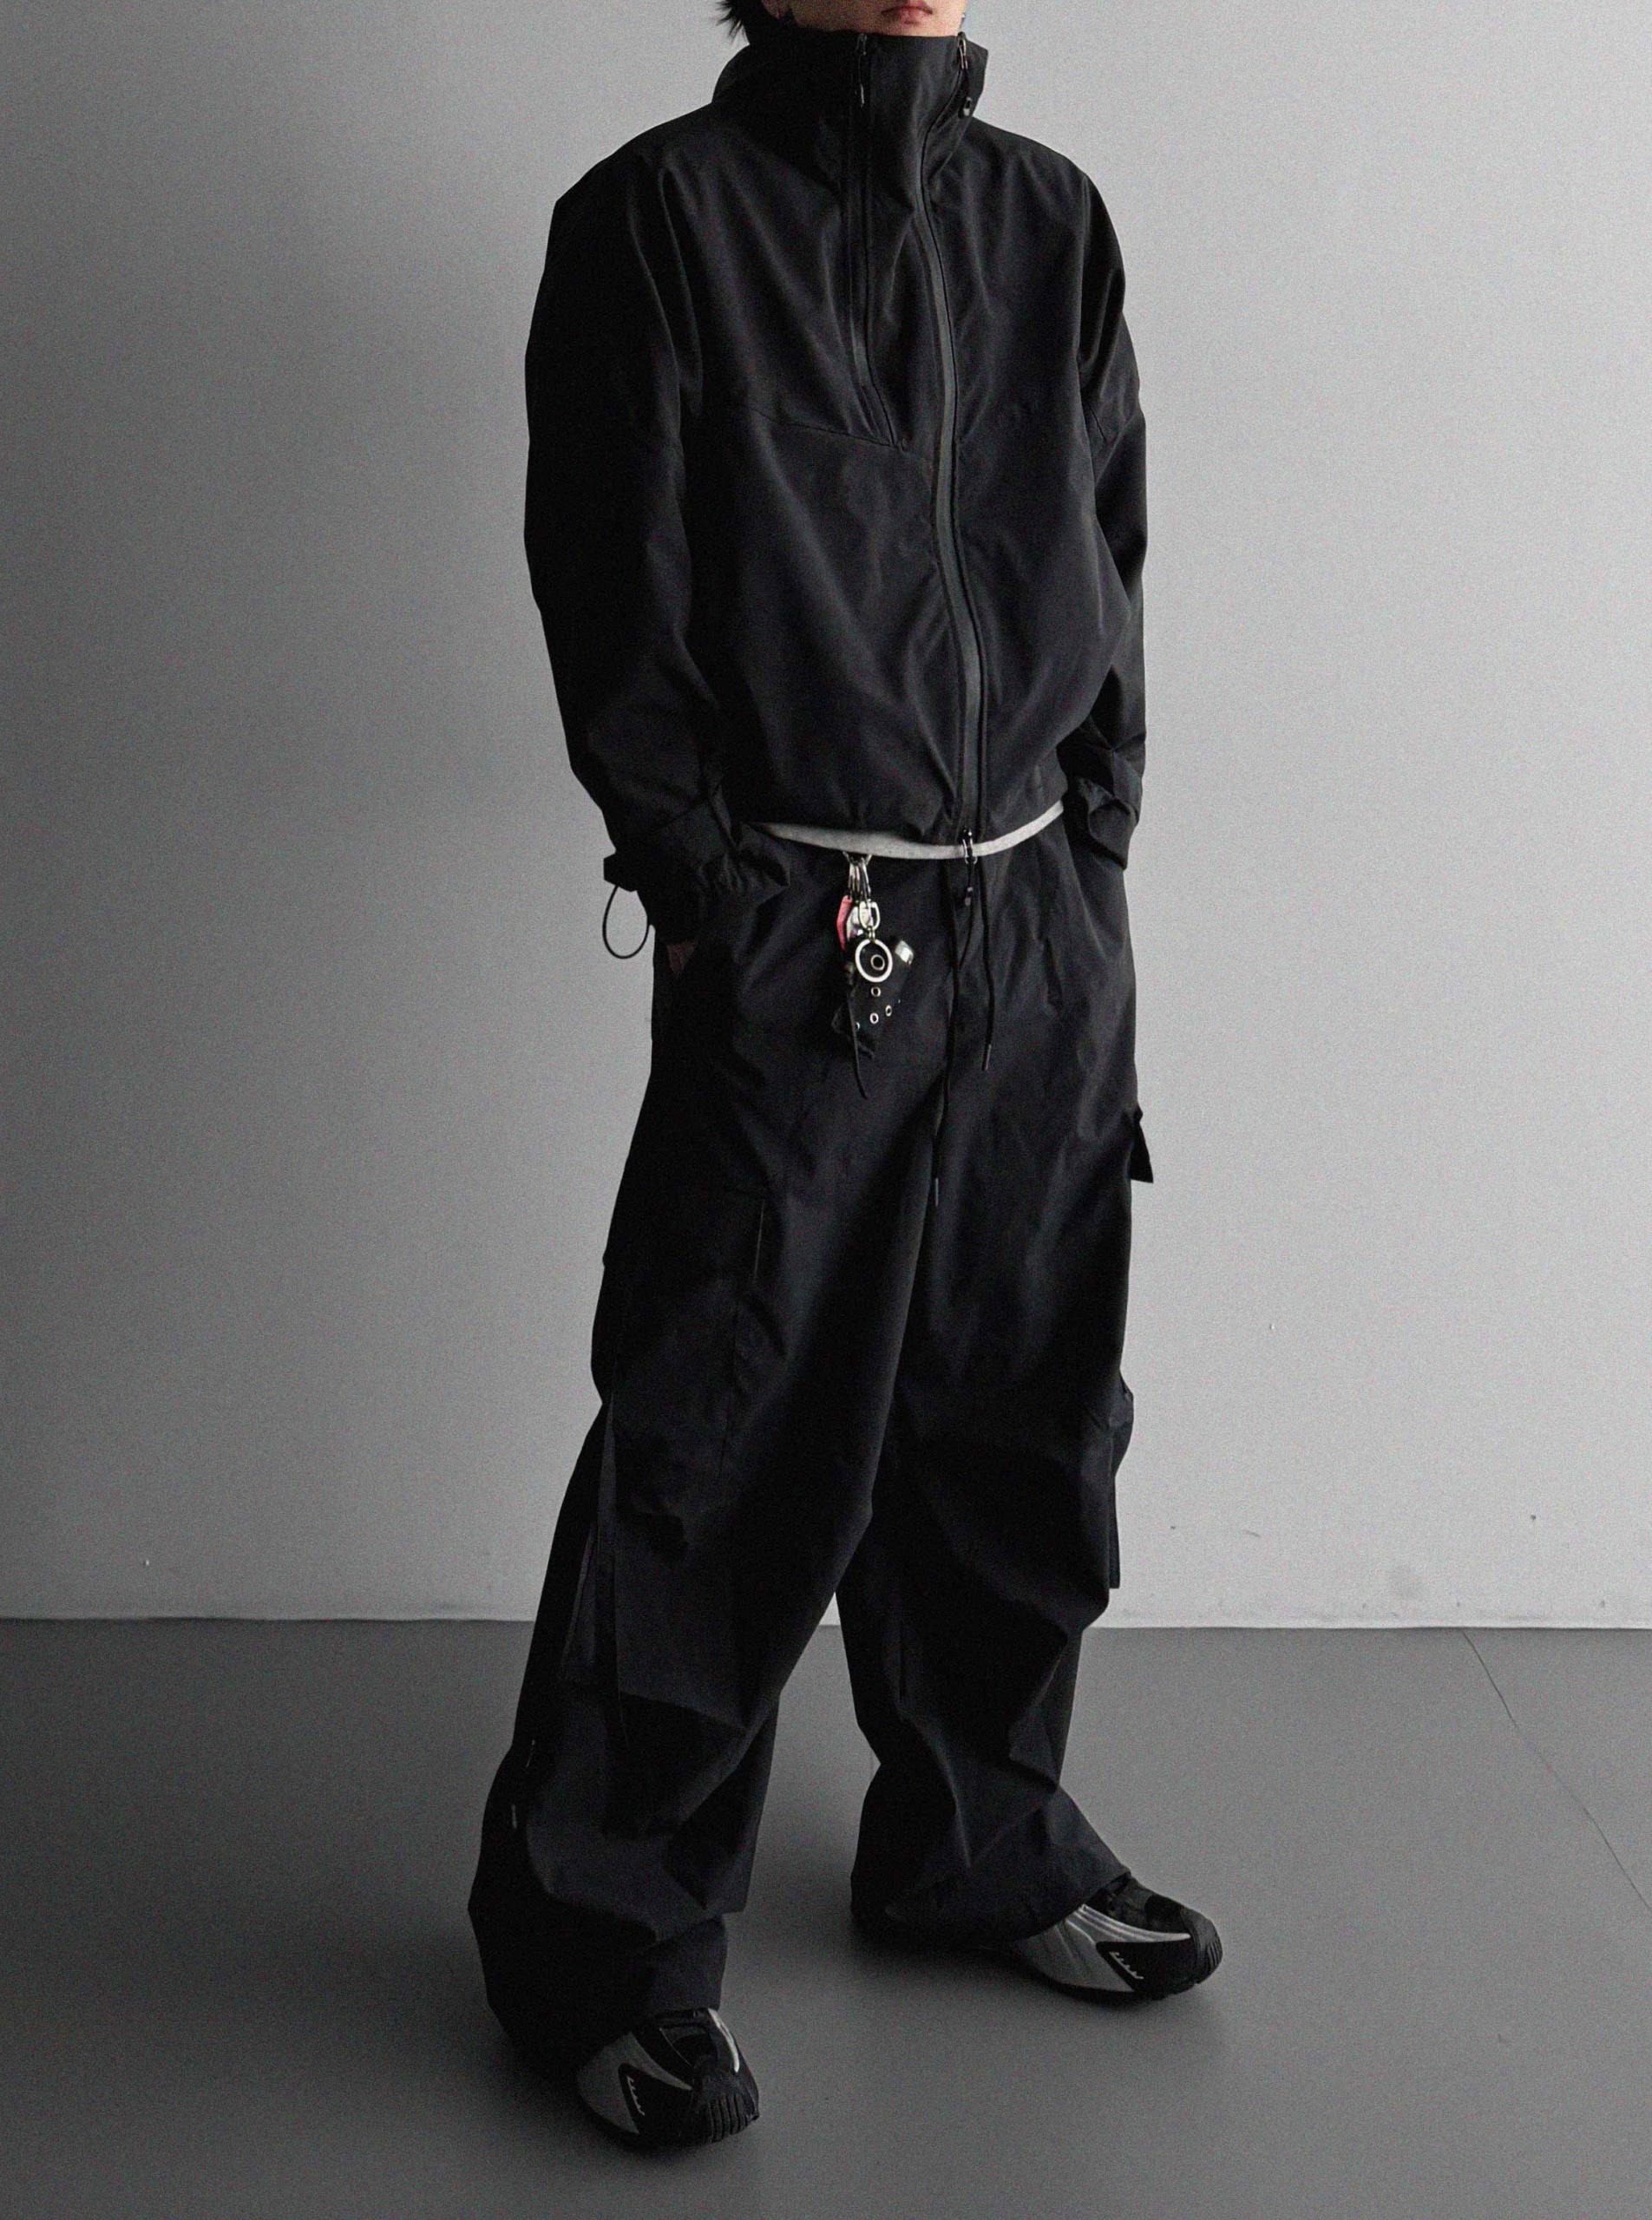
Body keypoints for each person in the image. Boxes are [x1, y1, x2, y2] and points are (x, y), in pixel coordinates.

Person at [469, 0, 1222, 2149]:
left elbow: (1110, 538)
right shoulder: (656, 223)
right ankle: (598, 1945)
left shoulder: (1051, 221)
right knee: (721, 1436)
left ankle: (981, 1837)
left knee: (1022, 1410)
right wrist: (718, 895)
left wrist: (1092, 846)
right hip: (812, 930)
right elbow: (612, 590)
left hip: (1038, 931)